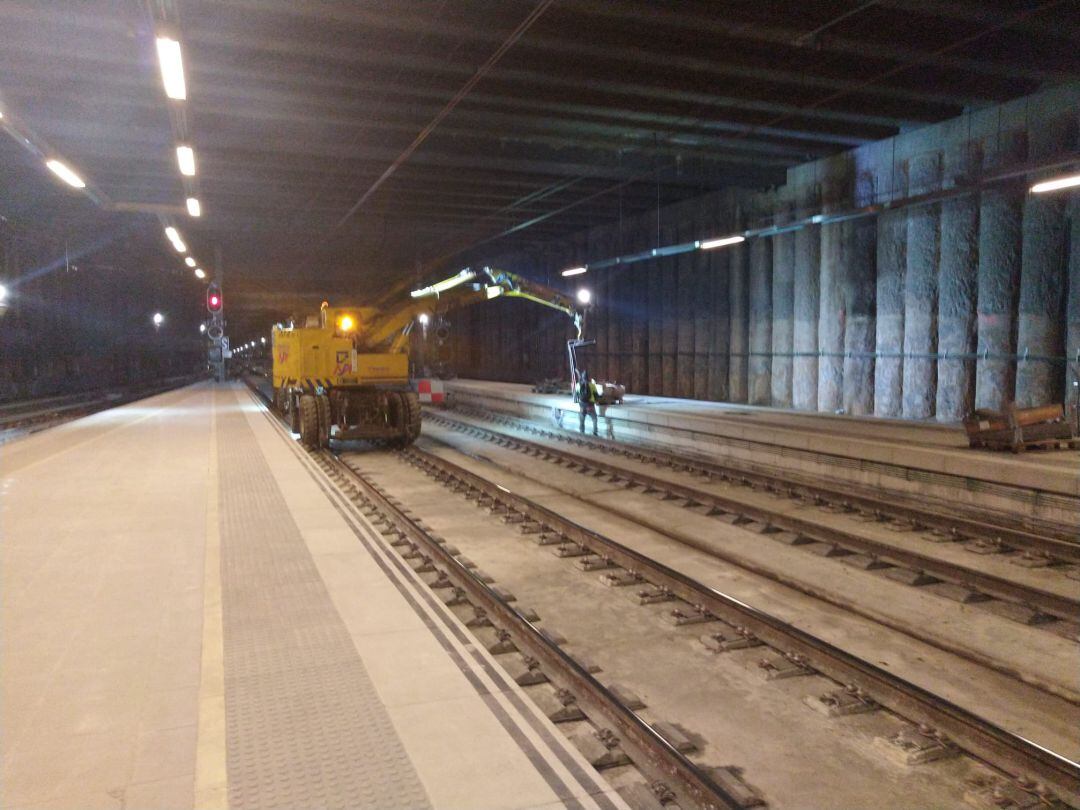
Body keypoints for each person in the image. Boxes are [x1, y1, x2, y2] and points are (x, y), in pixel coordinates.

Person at [575, 369, 599, 435]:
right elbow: (596, 395)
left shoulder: (578, 384)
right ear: (588, 378)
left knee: (582, 419)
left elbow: (576, 395)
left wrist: (576, 401)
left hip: (582, 405)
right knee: (594, 418)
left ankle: (582, 432)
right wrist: (597, 401)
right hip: (590, 405)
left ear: (582, 378)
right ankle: (595, 432)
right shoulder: (592, 385)